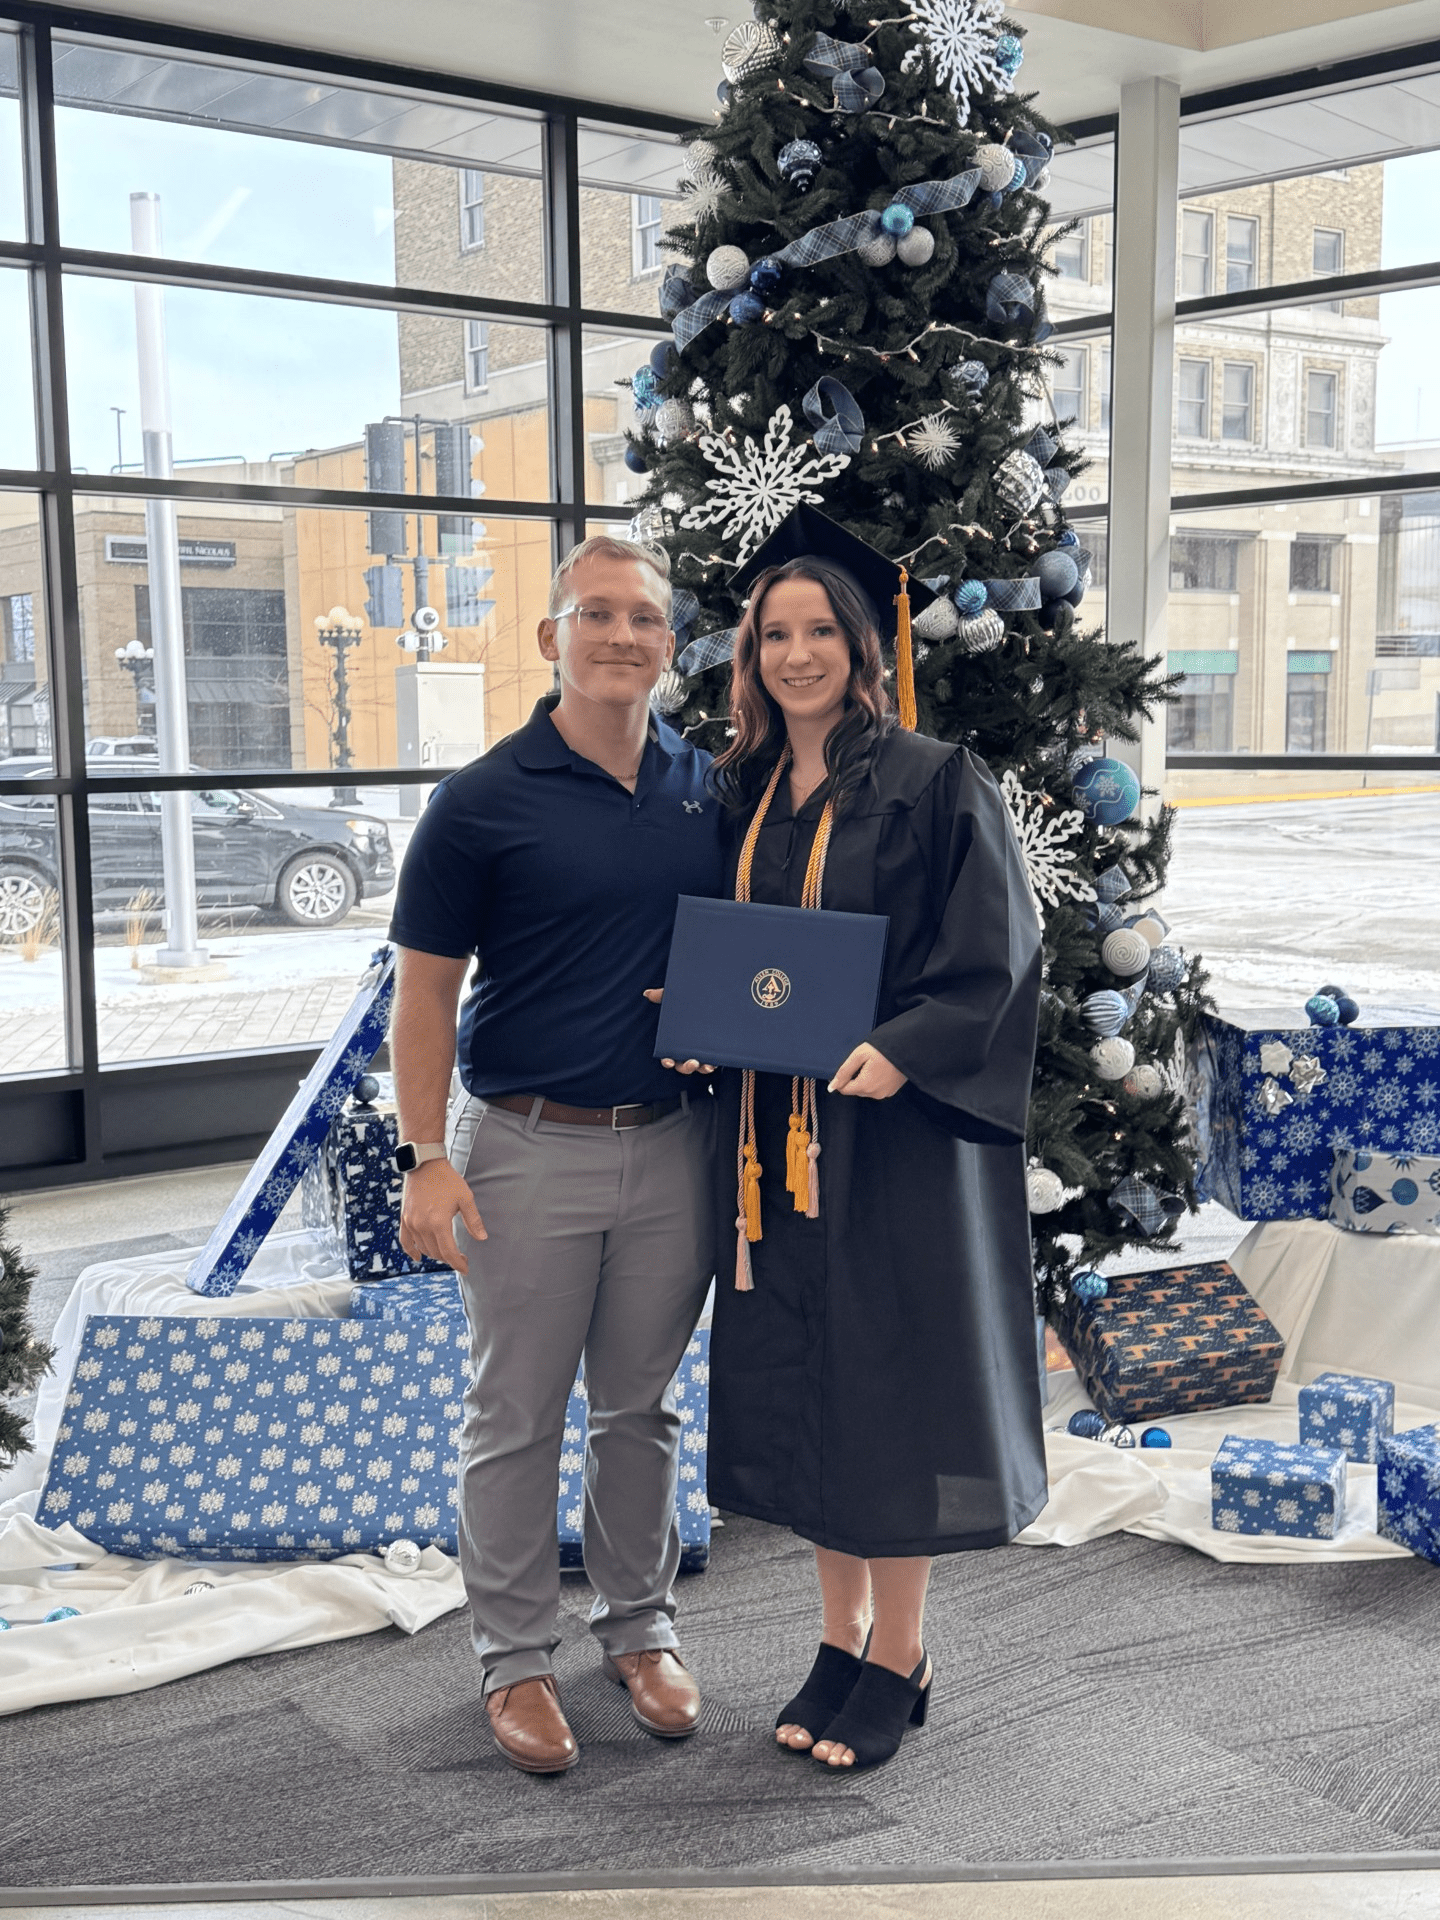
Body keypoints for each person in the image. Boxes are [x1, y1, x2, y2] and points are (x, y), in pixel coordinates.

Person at [677, 512, 1047, 1774]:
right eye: (774, 634)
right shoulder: (740, 789)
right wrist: (688, 1027)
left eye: (819, 630)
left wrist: (906, 1045)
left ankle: (902, 1653)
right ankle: (838, 1641)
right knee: (810, 1387)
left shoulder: (937, 780)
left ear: (859, 644)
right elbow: (722, 961)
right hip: (768, 1150)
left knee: (887, 1395)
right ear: (749, 655)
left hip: (891, 1141)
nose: (797, 654)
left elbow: (997, 960)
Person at [388, 533, 723, 1776]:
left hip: (675, 1150)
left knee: (644, 1410)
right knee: (516, 1415)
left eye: (645, 618)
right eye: (598, 615)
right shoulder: (481, 801)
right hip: (526, 1149)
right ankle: (515, 1659)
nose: (622, 636)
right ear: (551, 638)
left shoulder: (709, 786)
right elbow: (424, 997)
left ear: (670, 647)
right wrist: (425, 1154)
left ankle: (638, 1629)